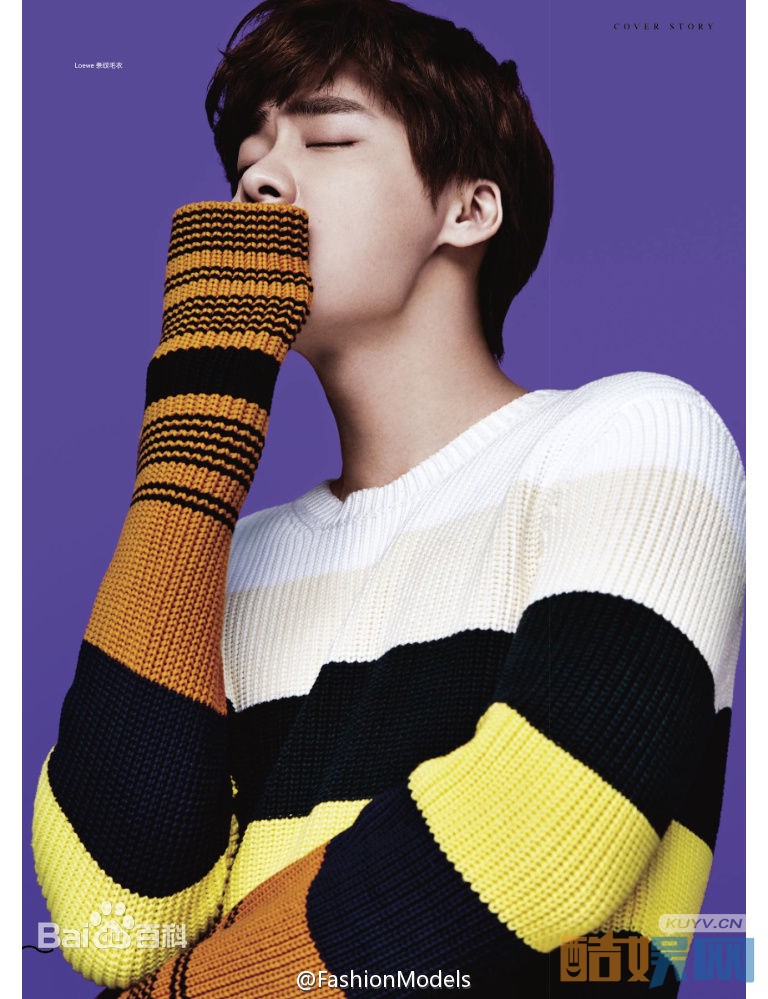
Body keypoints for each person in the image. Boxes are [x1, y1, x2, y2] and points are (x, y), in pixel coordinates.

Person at [31, 0, 745, 995]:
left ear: (469, 210)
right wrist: (192, 440)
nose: (259, 179)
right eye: (248, 156)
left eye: (327, 140)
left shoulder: (631, 438)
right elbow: (114, 924)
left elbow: (543, 840)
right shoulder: (227, 563)